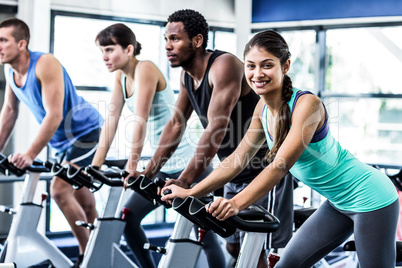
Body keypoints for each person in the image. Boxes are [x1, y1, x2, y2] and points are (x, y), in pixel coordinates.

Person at [162, 30, 400, 268]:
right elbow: (237, 159)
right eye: (251, 66)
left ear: (285, 66)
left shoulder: (307, 104)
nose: (257, 74)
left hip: (371, 198)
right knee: (288, 265)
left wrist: (236, 203)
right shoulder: (262, 109)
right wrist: (190, 192)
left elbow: (280, 165)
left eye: (266, 65)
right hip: (337, 203)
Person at [138, 9, 294, 268]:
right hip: (232, 173)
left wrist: (186, 182)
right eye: (166, 39)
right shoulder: (187, 76)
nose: (168, 46)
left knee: (256, 250)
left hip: (263, 171)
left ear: (197, 41)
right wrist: (148, 172)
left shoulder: (224, 66)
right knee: (232, 244)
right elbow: (176, 123)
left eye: (175, 39)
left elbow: (215, 129)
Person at [90, 23, 225, 268]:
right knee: (128, 218)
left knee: (204, 233)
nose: (104, 57)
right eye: (102, 51)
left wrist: (133, 167)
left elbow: (139, 119)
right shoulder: (121, 78)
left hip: (188, 166)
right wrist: (95, 165)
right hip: (162, 169)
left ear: (129, 49)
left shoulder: (146, 69)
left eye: (109, 50)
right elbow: (111, 121)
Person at [0, 18, 103, 265]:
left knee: (59, 190)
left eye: (3, 40)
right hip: (61, 142)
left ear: (22, 43)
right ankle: (99, 250)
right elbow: (9, 112)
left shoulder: (45, 63)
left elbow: (54, 114)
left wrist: (29, 154)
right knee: (83, 199)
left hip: (86, 132)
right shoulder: (11, 70)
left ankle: (88, 256)